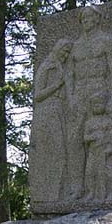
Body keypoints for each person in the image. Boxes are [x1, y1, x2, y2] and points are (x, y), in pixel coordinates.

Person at [66, 6, 112, 200]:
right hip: (80, 93)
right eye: (83, 17)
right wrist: (70, 96)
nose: (85, 20)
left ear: (97, 19)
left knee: (104, 139)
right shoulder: (77, 45)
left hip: (100, 89)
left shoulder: (106, 40)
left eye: (89, 16)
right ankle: (78, 188)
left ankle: (108, 191)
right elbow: (70, 72)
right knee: (76, 142)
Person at [30, 39, 72, 201]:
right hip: (47, 111)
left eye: (68, 52)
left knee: (60, 152)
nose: (65, 54)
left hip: (58, 110)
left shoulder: (60, 66)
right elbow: (38, 95)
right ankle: (48, 195)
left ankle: (57, 194)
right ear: (57, 48)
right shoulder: (47, 66)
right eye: (64, 50)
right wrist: (56, 85)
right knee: (53, 153)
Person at [83, 91, 112, 201]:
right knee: (90, 172)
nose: (97, 107)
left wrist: (110, 148)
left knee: (109, 173)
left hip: (105, 150)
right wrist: (93, 137)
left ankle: (110, 193)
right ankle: (91, 192)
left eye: (100, 104)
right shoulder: (89, 123)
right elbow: (85, 138)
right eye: (94, 105)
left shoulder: (108, 121)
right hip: (93, 151)